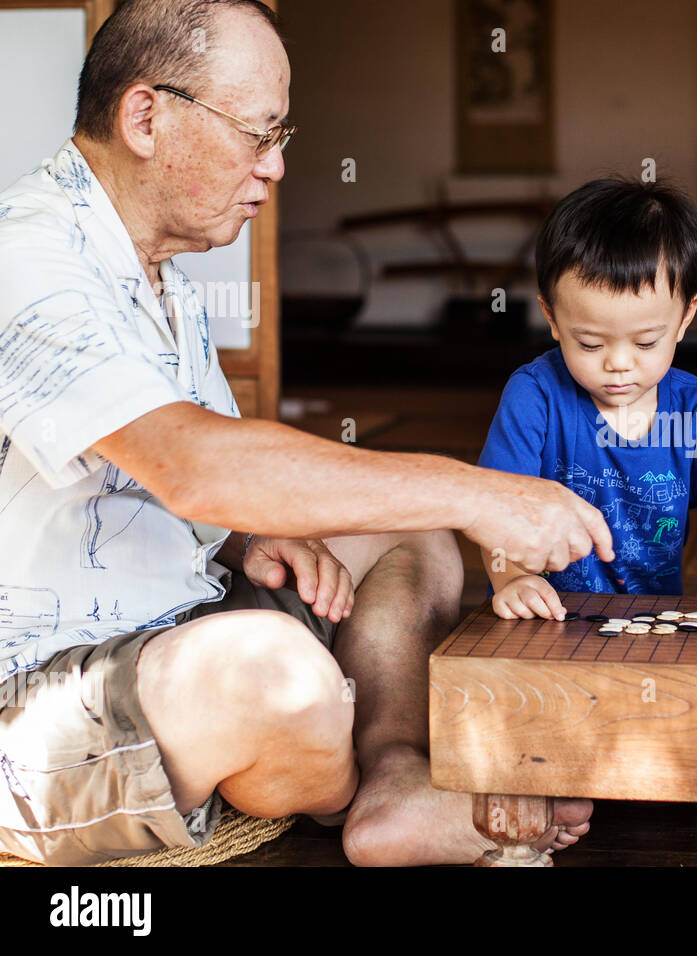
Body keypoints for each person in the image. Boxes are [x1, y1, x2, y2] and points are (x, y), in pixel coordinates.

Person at [0, 0, 609, 866]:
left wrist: (250, 537)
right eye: (259, 134)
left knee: (405, 532)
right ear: (145, 116)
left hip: (176, 621)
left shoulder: (153, 270)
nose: (277, 167)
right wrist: (485, 493)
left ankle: (394, 774)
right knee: (283, 676)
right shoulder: (28, 257)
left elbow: (161, 472)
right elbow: (187, 461)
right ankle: (335, 771)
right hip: (37, 695)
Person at [476, 178, 697, 620]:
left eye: (646, 343)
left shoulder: (693, 412)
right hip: (545, 621)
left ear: (685, 317)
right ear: (551, 316)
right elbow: (492, 504)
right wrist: (511, 578)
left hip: (651, 628)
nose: (619, 364)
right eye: (590, 344)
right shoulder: (535, 398)